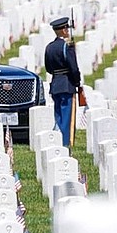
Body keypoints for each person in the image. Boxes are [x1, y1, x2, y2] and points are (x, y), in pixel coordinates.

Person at [44, 17, 81, 147]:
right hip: (67, 84)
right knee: (66, 117)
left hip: (55, 85)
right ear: (64, 30)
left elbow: (48, 68)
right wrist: (77, 82)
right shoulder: (67, 46)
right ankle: (64, 143)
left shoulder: (49, 47)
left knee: (58, 115)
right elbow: (74, 68)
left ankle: (57, 142)